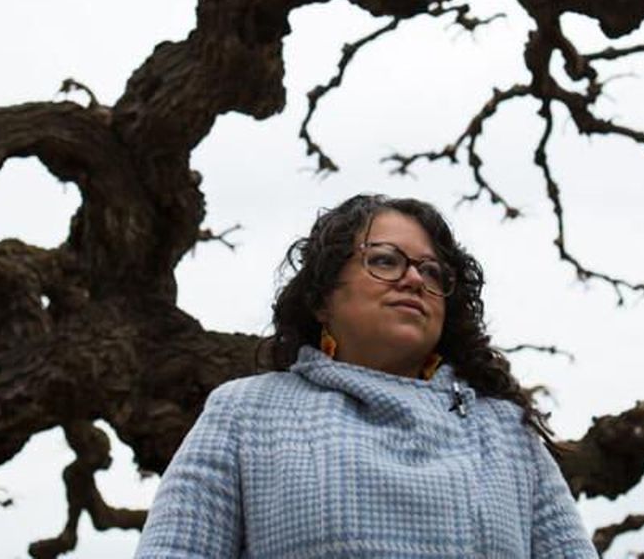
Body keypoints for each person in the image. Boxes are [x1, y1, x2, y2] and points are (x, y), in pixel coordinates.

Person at [134, 194, 599, 558]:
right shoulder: (245, 414)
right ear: (321, 299)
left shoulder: (505, 434)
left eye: (432, 271)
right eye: (385, 260)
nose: (415, 279)